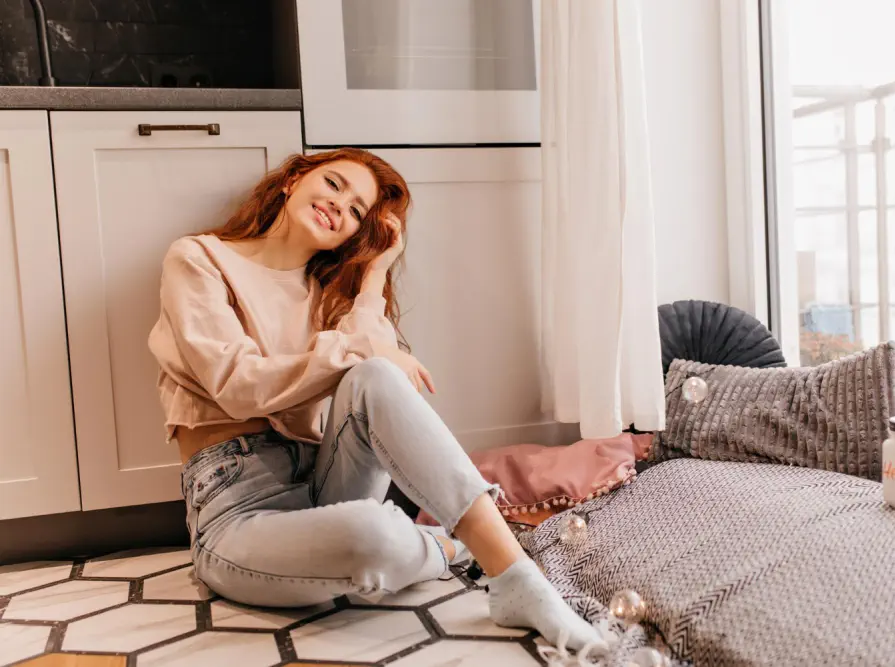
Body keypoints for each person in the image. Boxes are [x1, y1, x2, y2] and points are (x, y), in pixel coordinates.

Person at [148, 148, 602, 650]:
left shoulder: (328, 296)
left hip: (322, 474)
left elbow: (375, 362)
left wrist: (375, 273)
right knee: (374, 535)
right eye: (335, 184)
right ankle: (447, 543)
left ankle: (516, 579)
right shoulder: (199, 258)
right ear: (294, 178)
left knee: (376, 375)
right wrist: (357, 345)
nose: (340, 206)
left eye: (358, 212)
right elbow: (235, 385)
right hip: (236, 510)